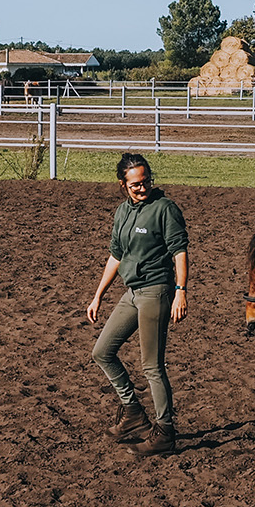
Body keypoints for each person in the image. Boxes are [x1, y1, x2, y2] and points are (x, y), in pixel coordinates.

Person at [86, 153, 188, 456]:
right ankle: (132, 412)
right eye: (135, 185)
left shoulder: (165, 209)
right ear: (123, 185)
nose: (142, 188)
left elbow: (179, 251)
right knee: (102, 351)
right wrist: (98, 295)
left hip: (156, 292)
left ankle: (165, 431)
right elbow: (116, 256)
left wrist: (181, 291)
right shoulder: (122, 212)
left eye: (146, 182)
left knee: (152, 366)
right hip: (131, 293)